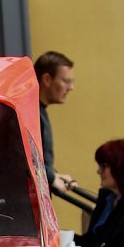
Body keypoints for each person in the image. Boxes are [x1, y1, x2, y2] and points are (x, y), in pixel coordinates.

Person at [34, 51, 76, 194]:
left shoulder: (37, 110)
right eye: (66, 81)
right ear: (46, 79)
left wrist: (54, 175)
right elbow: (24, 158)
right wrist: (51, 177)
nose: (71, 88)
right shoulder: (32, 113)